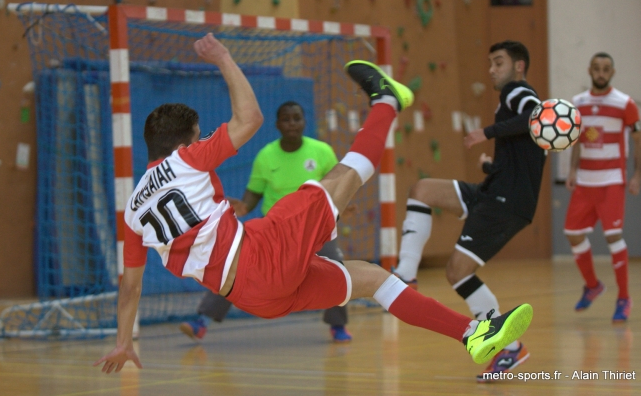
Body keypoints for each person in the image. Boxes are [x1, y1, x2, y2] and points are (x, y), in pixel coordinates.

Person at [94, 33, 534, 374]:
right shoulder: (187, 158)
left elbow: (130, 287)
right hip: (261, 253)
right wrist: (223, 58)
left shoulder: (132, 209)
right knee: (343, 177)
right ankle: (386, 100)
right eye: (199, 135)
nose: (203, 138)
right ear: (184, 141)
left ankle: (475, 334)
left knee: (373, 279)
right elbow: (250, 119)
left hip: (251, 296)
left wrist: (124, 341)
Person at [391, 41, 546, 382]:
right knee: (421, 190)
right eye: (490, 62)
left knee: (457, 272)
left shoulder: (518, 92)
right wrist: (493, 165)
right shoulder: (510, 98)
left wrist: (485, 133)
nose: (492, 69)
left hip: (506, 204)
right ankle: (406, 274)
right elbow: (522, 160)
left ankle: (509, 347)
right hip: (493, 192)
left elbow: (535, 113)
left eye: (499, 62)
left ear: (519, 66)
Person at [179, 101, 354, 343]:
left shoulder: (322, 151)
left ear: (304, 122)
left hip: (314, 227)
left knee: (335, 265)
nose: (292, 123)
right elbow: (254, 193)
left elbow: (336, 186)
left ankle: (338, 325)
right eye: (286, 119)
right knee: (236, 264)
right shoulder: (266, 156)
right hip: (275, 230)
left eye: (297, 118)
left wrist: (341, 204)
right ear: (277, 124)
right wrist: (244, 206)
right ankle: (202, 321)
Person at [564, 52, 641, 323]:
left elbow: (639, 140)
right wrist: (573, 170)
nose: (601, 72)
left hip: (611, 180)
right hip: (585, 181)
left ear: (612, 72)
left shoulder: (625, 103)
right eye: (597, 68)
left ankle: (624, 298)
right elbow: (576, 141)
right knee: (572, 233)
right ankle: (593, 285)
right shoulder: (578, 103)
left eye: (606, 69)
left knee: (613, 237)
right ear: (590, 70)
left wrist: (637, 176)